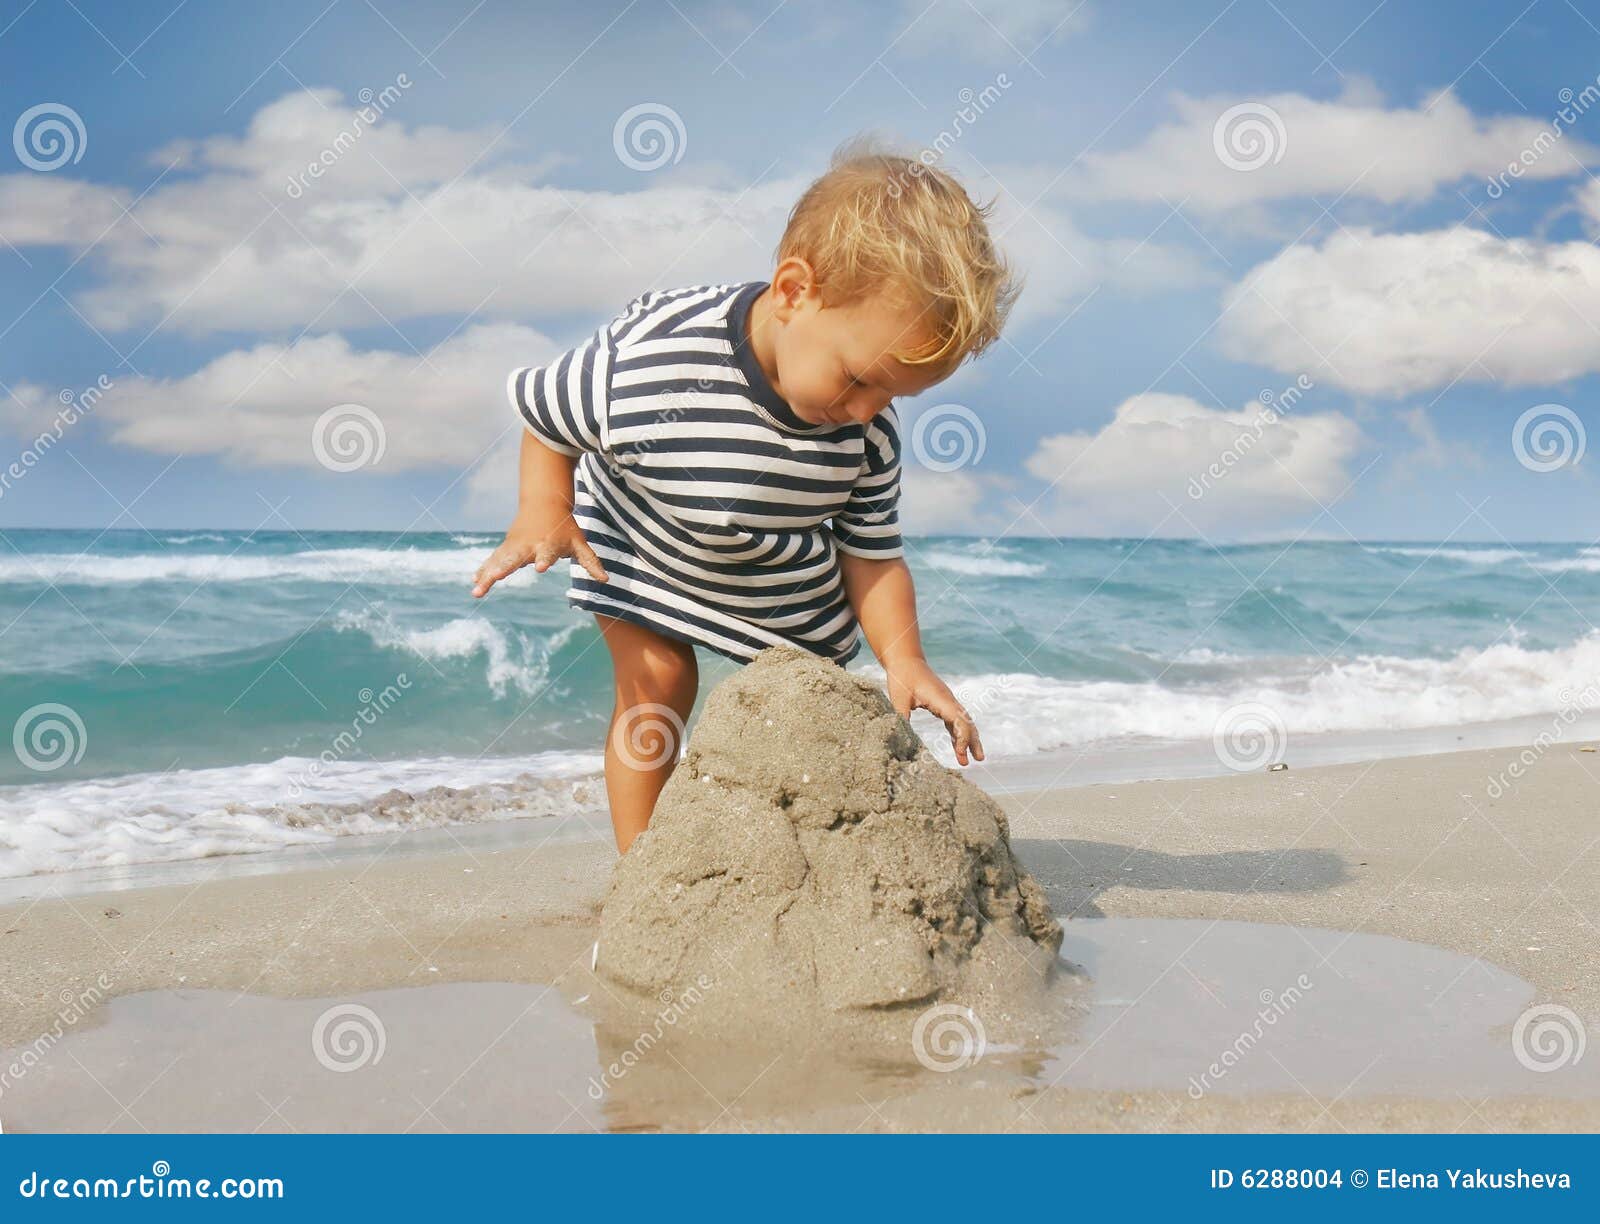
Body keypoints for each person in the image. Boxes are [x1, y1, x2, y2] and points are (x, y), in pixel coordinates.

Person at [473, 138, 1022, 852]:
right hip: (648, 541)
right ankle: (642, 864)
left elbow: (871, 554)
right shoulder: (651, 361)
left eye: (894, 394)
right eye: (859, 378)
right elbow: (547, 418)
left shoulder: (867, 433)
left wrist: (904, 660)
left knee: (810, 713)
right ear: (794, 292)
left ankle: (787, 850)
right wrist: (544, 511)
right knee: (660, 684)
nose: (868, 410)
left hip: (776, 576)